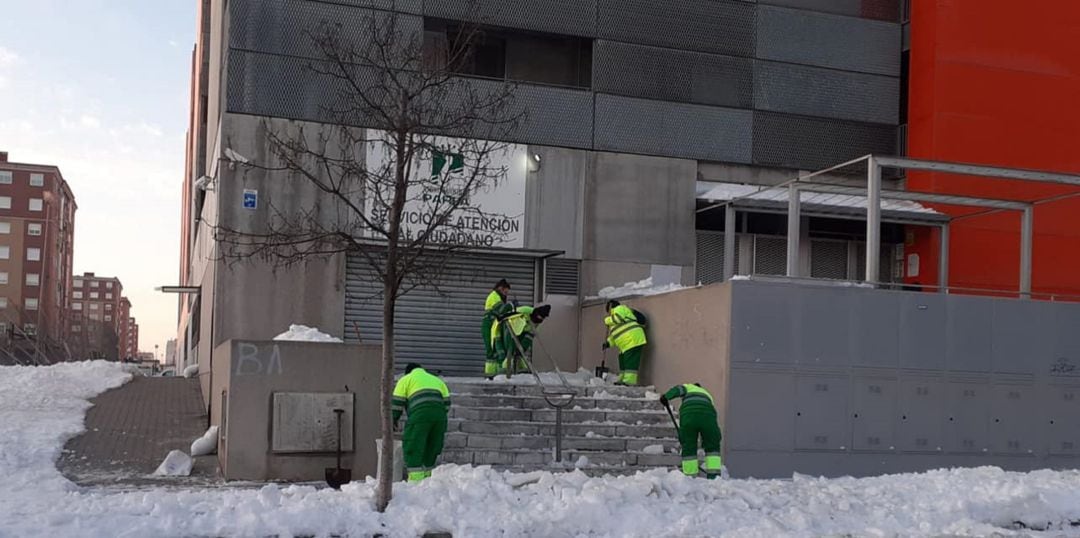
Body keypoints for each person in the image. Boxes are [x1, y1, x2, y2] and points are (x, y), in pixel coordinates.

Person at [392, 363, 451, 482]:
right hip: (440, 418)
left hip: (420, 416)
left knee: (414, 447)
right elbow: (447, 404)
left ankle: (415, 483)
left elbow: (396, 404)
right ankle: (428, 481)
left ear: (408, 372)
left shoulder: (406, 379)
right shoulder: (437, 380)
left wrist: (393, 421)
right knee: (431, 448)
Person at [660, 383, 723, 479]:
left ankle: (690, 476)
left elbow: (678, 389)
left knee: (688, 444)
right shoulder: (707, 394)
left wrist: (666, 397)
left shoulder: (689, 387)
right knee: (712, 445)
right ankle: (714, 477)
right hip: (708, 415)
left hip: (689, 415)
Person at [491, 304, 551, 376]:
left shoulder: (537, 323)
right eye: (539, 317)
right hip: (509, 329)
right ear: (536, 313)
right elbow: (508, 315)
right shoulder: (525, 310)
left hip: (520, 332)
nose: (540, 320)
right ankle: (503, 375)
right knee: (508, 352)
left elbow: (530, 336)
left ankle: (519, 373)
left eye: (542, 319)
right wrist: (500, 318)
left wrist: (523, 348)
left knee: (519, 353)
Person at [602, 300, 647, 386]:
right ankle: (622, 379)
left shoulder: (620, 309)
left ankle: (629, 382)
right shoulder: (613, 320)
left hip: (633, 339)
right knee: (622, 360)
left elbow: (619, 318)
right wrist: (608, 343)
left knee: (630, 361)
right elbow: (616, 334)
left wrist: (607, 320)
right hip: (626, 343)